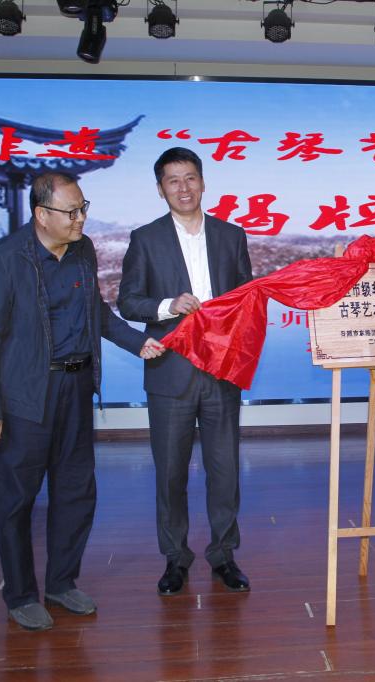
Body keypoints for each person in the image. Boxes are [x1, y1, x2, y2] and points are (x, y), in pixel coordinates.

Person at [0, 172, 164, 630]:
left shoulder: (82, 250)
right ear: (41, 214)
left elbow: (97, 313)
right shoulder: (5, 258)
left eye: (83, 208)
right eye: (71, 212)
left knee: (76, 492)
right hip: (24, 395)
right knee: (17, 499)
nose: (81, 219)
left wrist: (138, 343)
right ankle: (20, 595)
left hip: (75, 389)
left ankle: (61, 582)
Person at [118, 147, 253, 596]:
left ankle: (224, 554)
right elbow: (127, 301)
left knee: (225, 470)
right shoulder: (145, 239)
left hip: (221, 372)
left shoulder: (231, 236)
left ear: (203, 182)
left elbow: (247, 302)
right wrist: (167, 305)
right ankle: (175, 558)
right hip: (170, 372)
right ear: (161, 189)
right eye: (173, 180)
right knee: (171, 473)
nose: (183, 187)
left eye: (190, 177)